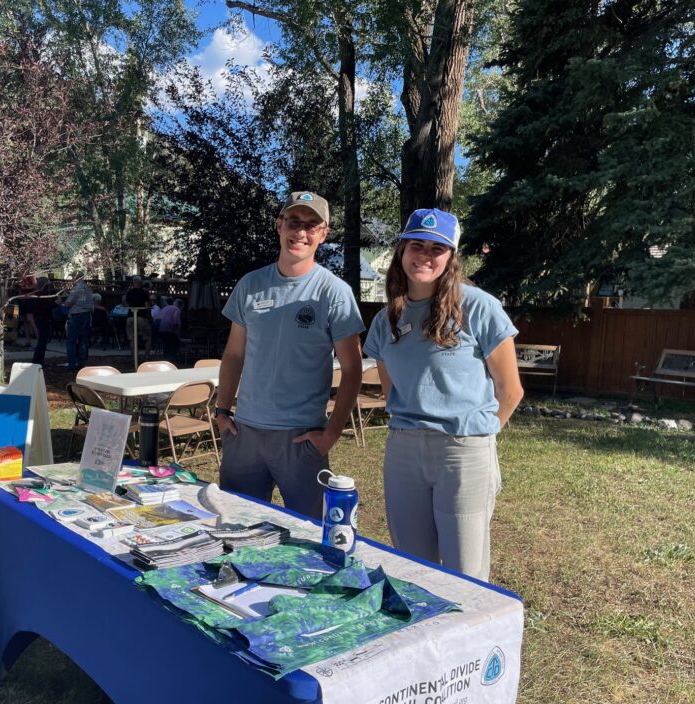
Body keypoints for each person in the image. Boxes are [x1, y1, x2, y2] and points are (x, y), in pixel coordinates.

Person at [362, 208, 524, 581]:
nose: (425, 255)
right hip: (404, 451)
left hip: (463, 451)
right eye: (416, 245)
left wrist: (479, 435)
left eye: (437, 248)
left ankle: (469, 639)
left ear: (451, 258)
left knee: (464, 570)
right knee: (412, 568)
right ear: (401, 251)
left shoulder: (479, 307)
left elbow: (510, 389)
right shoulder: (386, 319)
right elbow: (391, 388)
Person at [215, 192, 364, 520]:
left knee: (308, 538)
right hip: (245, 434)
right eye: (294, 222)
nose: (301, 232)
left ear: (323, 234)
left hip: (301, 439)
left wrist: (331, 435)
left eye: (311, 226)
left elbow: (353, 369)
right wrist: (222, 412)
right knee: (236, 529)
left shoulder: (334, 293)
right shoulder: (251, 285)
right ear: (279, 225)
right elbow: (234, 354)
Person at [60, 276, 94, 370]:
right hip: (87, 315)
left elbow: (69, 303)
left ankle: (71, 364)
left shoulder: (76, 289)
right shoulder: (88, 289)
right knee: (83, 340)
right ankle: (81, 363)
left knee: (71, 340)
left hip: (77, 316)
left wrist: (61, 302)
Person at [125, 276, 152, 357]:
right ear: (141, 283)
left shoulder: (129, 292)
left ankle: (134, 358)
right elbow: (147, 306)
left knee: (132, 339)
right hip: (141, 317)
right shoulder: (144, 293)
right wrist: (149, 315)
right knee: (147, 338)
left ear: (133, 283)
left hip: (130, 317)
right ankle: (146, 357)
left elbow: (126, 304)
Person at [158, 297, 183, 364]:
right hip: (168, 329)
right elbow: (175, 320)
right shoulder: (177, 309)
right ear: (180, 305)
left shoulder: (165, 307)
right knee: (176, 343)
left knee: (166, 344)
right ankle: (172, 359)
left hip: (159, 328)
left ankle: (166, 358)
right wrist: (176, 331)